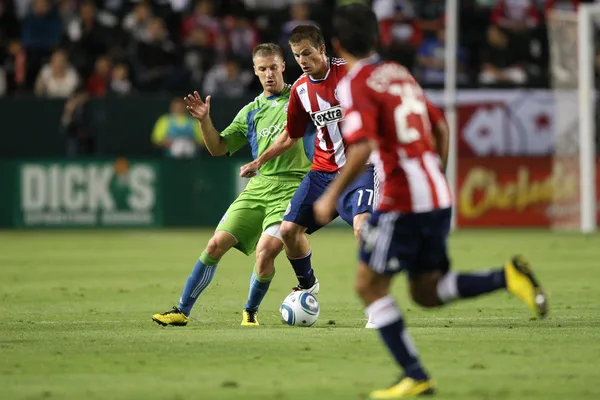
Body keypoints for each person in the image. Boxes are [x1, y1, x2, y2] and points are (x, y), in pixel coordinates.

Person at [313, 4, 548, 398]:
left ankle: (415, 374)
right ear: (378, 38)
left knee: (368, 285)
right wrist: (435, 171)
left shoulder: (355, 84)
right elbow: (440, 125)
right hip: (436, 194)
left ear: (337, 44)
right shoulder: (398, 74)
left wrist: (331, 196)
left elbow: (364, 144)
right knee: (426, 292)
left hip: (404, 199)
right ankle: (507, 276)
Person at [152, 43, 312, 327]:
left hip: (292, 188)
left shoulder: (300, 97)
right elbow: (218, 147)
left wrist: (257, 162)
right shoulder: (250, 111)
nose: (269, 74)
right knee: (215, 244)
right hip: (259, 187)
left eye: (274, 67)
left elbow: (292, 135)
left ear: (283, 66)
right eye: (262, 69)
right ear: (255, 72)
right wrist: (205, 120)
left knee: (265, 252)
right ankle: (181, 311)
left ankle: (250, 312)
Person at [239, 25, 378, 327]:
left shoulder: (351, 75)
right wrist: (258, 161)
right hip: (321, 173)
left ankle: (375, 305)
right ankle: (308, 285)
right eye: (297, 55)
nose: (302, 59)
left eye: (307, 53)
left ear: (323, 50)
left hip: (359, 171)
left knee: (362, 228)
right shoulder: (301, 90)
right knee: (289, 231)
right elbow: (291, 136)